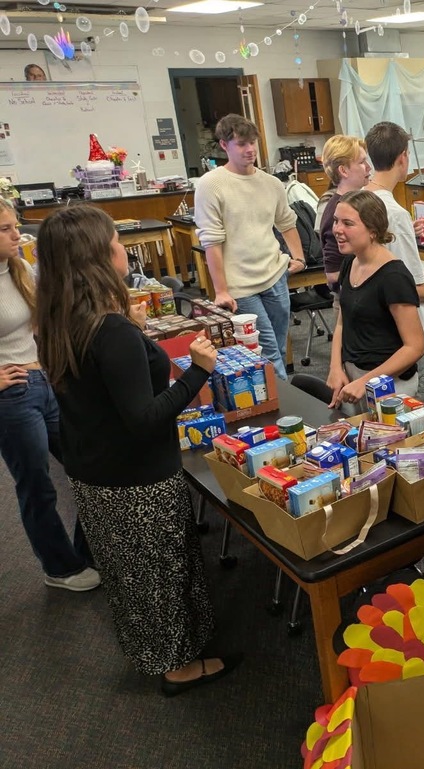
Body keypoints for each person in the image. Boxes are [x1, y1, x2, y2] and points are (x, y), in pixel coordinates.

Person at [34, 205, 240, 696]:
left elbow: (97, 396)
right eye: (116, 244)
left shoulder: (61, 320)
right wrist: (198, 370)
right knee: (161, 569)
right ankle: (178, 667)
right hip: (136, 478)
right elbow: (145, 418)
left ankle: (156, 651)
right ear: (97, 259)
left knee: (132, 572)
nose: (125, 250)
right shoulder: (110, 332)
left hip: (94, 470)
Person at [0, 199, 98, 591]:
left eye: (14, 226)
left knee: (87, 464)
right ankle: (60, 568)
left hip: (44, 381)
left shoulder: (19, 268)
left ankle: (88, 554)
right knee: (37, 485)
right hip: (12, 396)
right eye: (5, 229)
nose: (16, 234)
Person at [194, 114, 306, 380]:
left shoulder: (271, 183)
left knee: (277, 346)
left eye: (253, 142)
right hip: (240, 285)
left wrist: (298, 258)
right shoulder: (211, 185)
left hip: (274, 275)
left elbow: (286, 223)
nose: (250, 149)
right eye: (242, 143)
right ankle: (286, 409)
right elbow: (211, 240)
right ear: (224, 145)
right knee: (266, 351)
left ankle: (278, 399)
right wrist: (221, 289)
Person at [362, 121, 424, 405]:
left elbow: (397, 267)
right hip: (410, 328)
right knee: (411, 410)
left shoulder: (361, 201)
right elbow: (410, 287)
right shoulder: (395, 213)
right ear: (403, 157)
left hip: (378, 324)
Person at [325, 191, 424, 416]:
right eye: (336, 221)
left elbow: (414, 346)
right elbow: (343, 321)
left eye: (348, 223)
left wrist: (366, 381)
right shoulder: (350, 262)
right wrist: (335, 367)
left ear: (373, 231)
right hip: (353, 377)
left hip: (389, 383)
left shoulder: (394, 276)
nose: (337, 229)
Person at [316, 134, 371, 288]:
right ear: (343, 171)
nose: (368, 167)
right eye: (361, 162)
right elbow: (333, 274)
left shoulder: (355, 203)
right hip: (350, 299)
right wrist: (376, 274)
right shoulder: (338, 210)